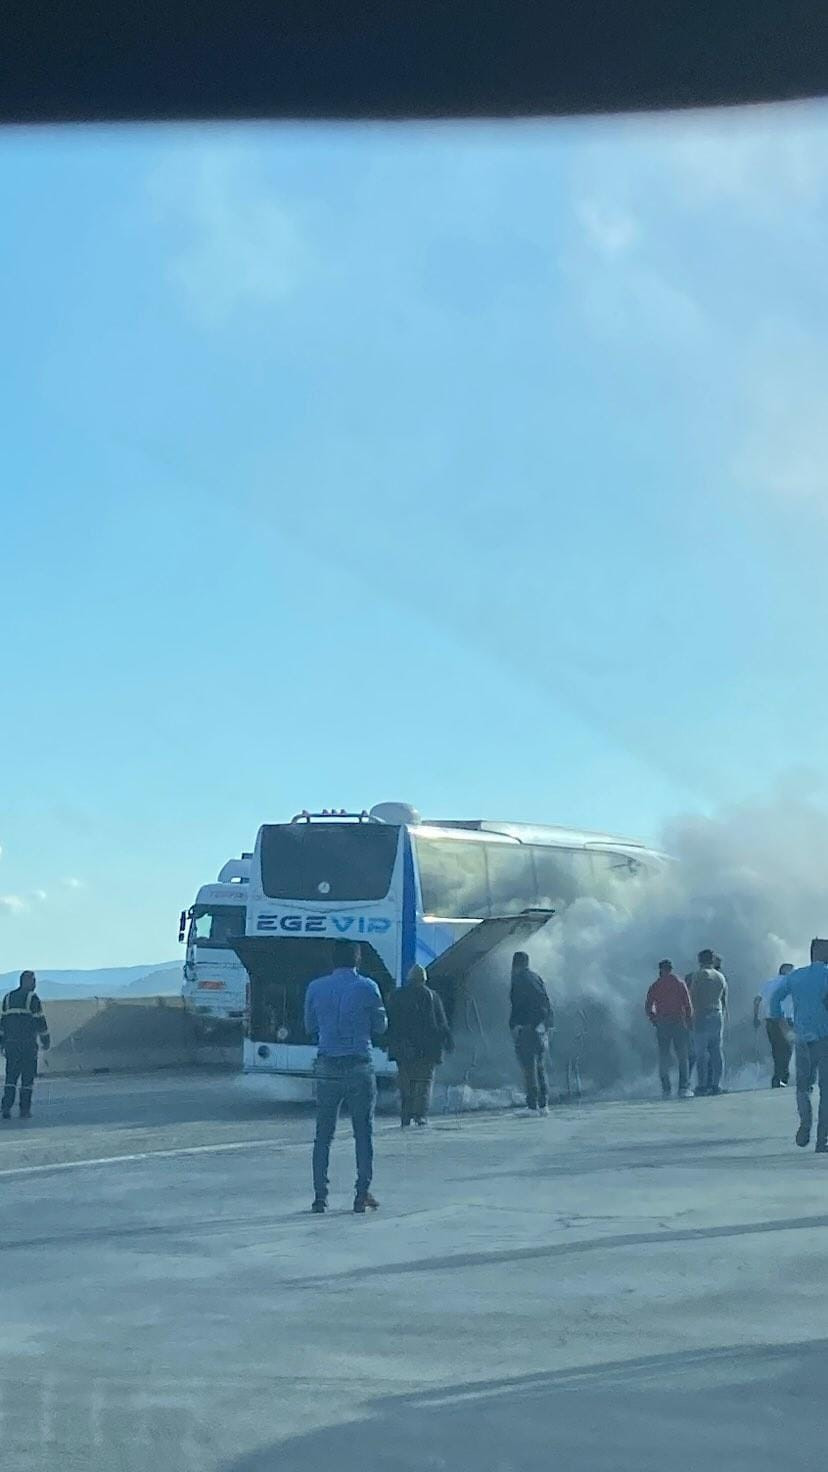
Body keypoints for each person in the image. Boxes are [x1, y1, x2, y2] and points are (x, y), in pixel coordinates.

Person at [304, 940, 387, 1213]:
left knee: (323, 1135)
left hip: (327, 1066)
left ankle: (320, 1196)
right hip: (358, 1066)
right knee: (363, 1133)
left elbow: (309, 1025)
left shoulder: (315, 988)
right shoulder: (368, 987)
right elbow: (380, 1026)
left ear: (332, 960)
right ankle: (361, 1193)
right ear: (358, 960)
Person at [768, 940, 828, 1152]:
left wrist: (784, 1028)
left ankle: (805, 1124)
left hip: (802, 1037)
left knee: (804, 1087)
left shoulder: (796, 976)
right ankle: (823, 1139)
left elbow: (774, 1001)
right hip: (825, 1037)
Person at [385, 963, 453, 1127]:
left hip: (404, 1048)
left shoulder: (396, 995)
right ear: (424, 979)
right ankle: (420, 1115)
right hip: (428, 1049)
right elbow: (441, 1023)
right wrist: (448, 1041)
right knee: (423, 1083)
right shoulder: (432, 996)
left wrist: (387, 1042)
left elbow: (391, 1022)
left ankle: (405, 1115)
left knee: (406, 1083)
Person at [0, 970, 50, 1120]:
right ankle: (24, 1109)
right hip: (28, 1046)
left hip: (11, 1045)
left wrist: (1, 1044)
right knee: (27, 1079)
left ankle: (6, 1107)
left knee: (11, 1078)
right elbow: (40, 1021)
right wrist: (45, 1040)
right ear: (27, 982)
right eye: (33, 981)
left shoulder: (7, 998)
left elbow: (2, 1024)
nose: (35, 984)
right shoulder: (32, 998)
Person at [509, 951, 553, 1115]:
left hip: (529, 1029)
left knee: (529, 1067)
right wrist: (544, 1024)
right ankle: (543, 1104)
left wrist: (524, 1025)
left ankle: (533, 1104)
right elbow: (545, 1002)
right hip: (540, 1029)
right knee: (540, 1067)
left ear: (516, 964)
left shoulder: (520, 980)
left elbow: (522, 1006)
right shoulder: (536, 978)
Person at [644, 960, 693, 1098]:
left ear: (661, 969)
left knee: (664, 1057)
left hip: (663, 1023)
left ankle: (666, 1089)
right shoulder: (679, 983)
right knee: (682, 1056)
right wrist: (689, 1022)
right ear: (671, 969)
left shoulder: (656, 985)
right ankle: (683, 1087)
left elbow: (648, 1007)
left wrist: (655, 1020)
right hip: (678, 1022)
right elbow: (688, 1005)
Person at [689, 949, 728, 1095]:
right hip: (717, 1014)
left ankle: (702, 1085)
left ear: (700, 960)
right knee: (717, 1051)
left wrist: (691, 1015)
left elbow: (693, 996)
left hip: (702, 1014)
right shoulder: (721, 977)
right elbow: (724, 999)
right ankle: (716, 1084)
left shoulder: (699, 975)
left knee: (701, 1052)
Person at [753, 963, 795, 1087]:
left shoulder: (768, 982)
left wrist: (755, 1017)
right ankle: (783, 1078)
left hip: (770, 1021)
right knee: (787, 1049)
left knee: (776, 1049)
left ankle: (777, 1077)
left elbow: (757, 1000)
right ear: (788, 972)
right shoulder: (791, 982)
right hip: (786, 1020)